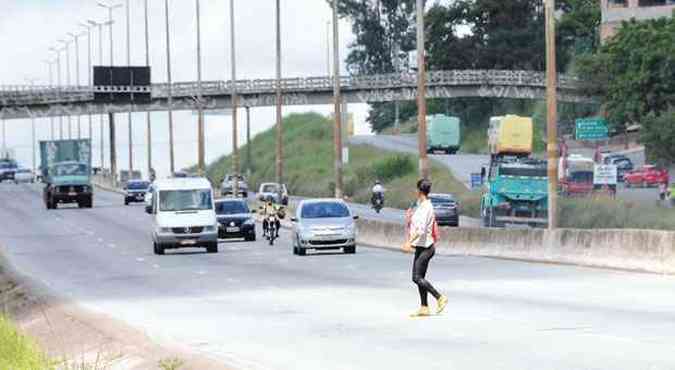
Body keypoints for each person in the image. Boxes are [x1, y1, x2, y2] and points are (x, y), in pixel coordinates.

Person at [403, 179, 448, 317]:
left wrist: (408, 242)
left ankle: (439, 297)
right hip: (421, 246)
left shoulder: (426, 207)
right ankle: (424, 307)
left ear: (419, 191)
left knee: (416, 277)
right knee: (419, 277)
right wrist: (410, 217)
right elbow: (416, 224)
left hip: (427, 247)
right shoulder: (421, 205)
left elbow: (421, 230)